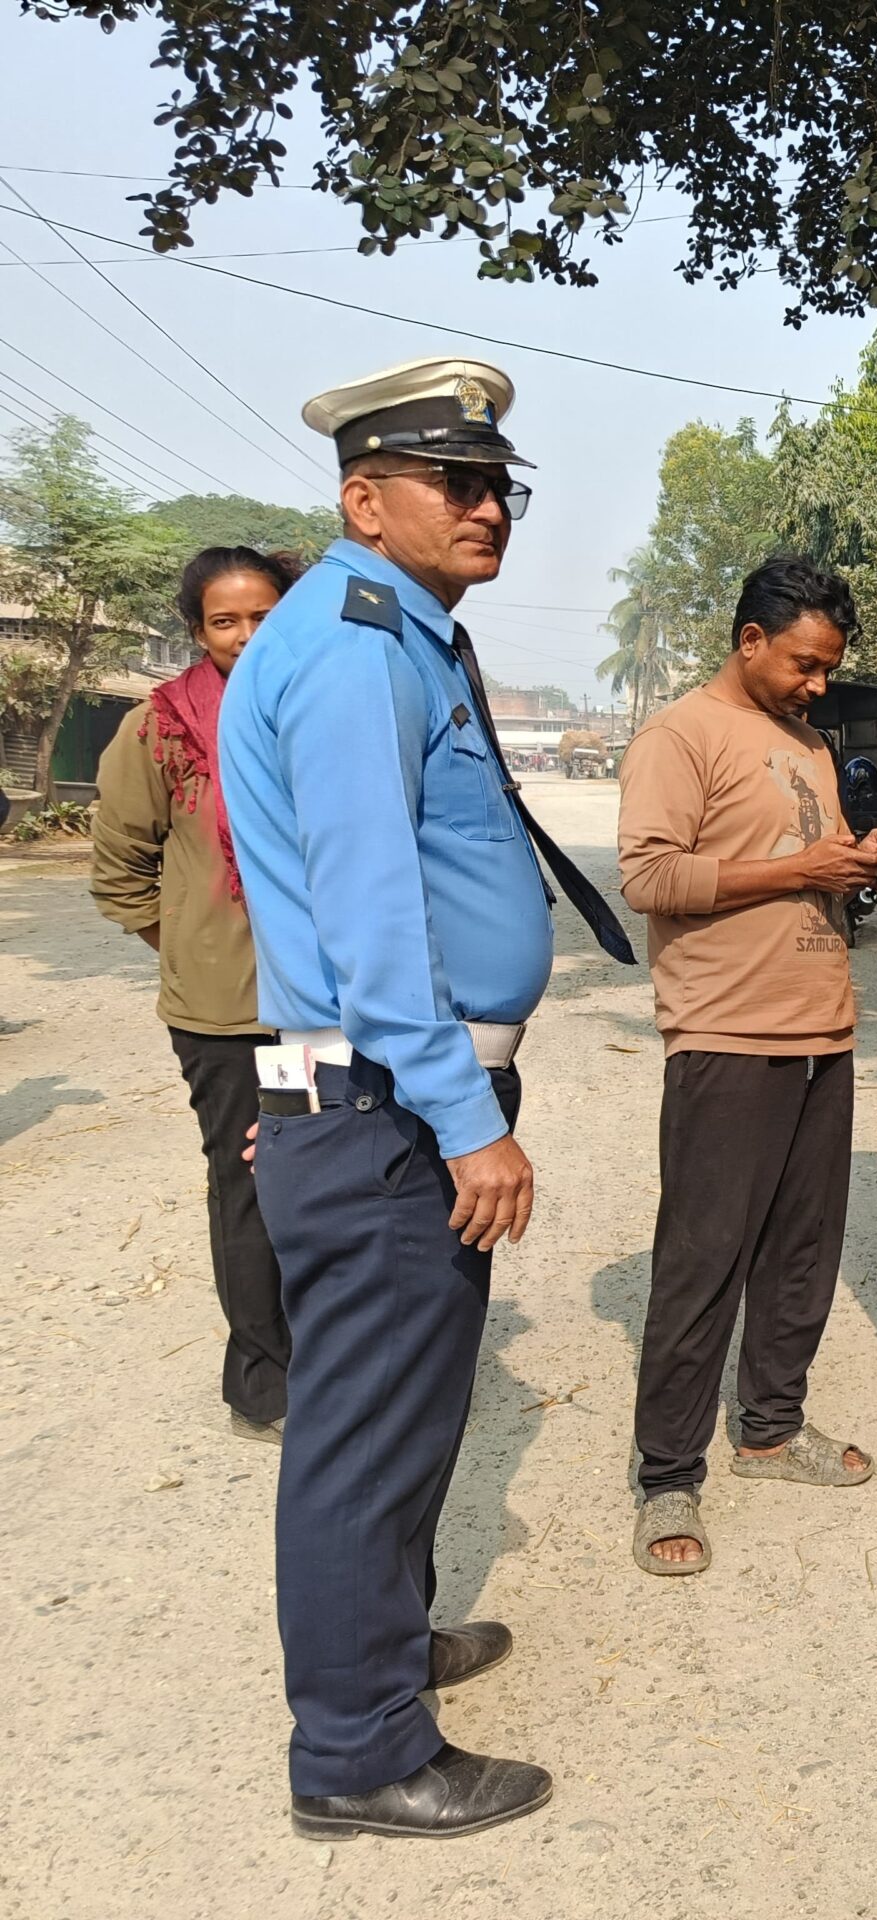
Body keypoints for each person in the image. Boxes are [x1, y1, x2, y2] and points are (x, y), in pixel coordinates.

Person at [223, 355, 632, 1841]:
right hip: (396, 1105)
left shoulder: (397, 632)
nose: (486, 508)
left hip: (376, 1096)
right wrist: (471, 1121)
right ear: (363, 496)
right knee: (364, 1439)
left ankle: (381, 1655)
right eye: (454, 484)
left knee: (400, 1422)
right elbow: (370, 921)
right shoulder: (348, 645)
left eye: (498, 487)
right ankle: (355, 1751)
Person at [616, 556, 877, 1576]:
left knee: (801, 1253)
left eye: (828, 667)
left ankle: (770, 1430)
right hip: (725, 1033)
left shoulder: (805, 745)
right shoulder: (681, 735)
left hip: (819, 1028)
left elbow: (814, 869)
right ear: (750, 640)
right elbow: (650, 878)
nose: (818, 684)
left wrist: (866, 861)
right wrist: (805, 866)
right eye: (804, 663)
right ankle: (668, 1475)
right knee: (703, 1260)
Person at [90, 546, 304, 1444]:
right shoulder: (160, 731)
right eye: (226, 621)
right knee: (248, 1186)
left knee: (310, 1180)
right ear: (196, 630)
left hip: (316, 1011)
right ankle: (262, 1384)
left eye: (264, 617)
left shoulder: (314, 711)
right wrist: (191, 951)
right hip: (225, 1023)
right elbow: (120, 875)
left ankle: (328, 1364)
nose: (248, 637)